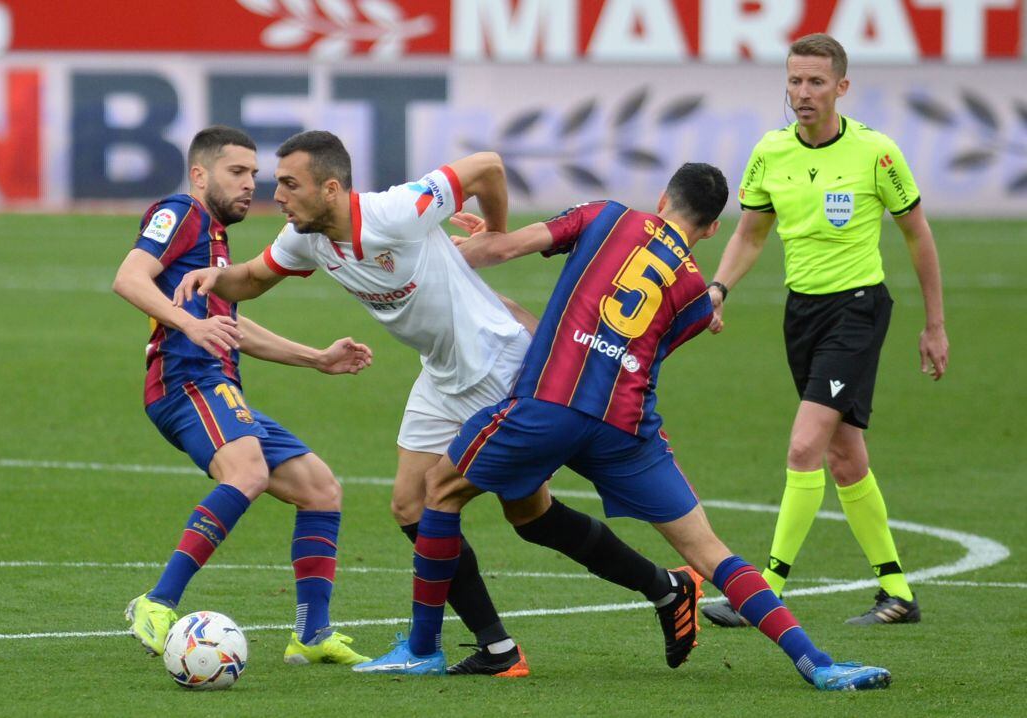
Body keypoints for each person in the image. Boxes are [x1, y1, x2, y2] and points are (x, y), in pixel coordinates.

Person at [351, 162, 892, 691]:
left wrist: (475, 242)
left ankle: (423, 650)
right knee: (709, 551)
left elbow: (502, 249)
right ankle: (818, 663)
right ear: (709, 229)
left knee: (438, 491)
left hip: (551, 407)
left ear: (662, 199)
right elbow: (641, 352)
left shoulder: (606, 215)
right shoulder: (698, 299)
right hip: (626, 428)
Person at [176, 131, 700, 676]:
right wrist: (217, 279)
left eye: (289, 184)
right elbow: (254, 278)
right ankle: (499, 645)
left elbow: (488, 166)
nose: (277, 194)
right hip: (441, 373)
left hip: (497, 365)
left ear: (330, 189)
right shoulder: (304, 237)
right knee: (413, 506)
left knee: (524, 514)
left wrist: (497, 233)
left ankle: (662, 588)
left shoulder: (397, 211)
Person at [700, 33, 949, 629]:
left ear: (841, 87)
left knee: (804, 447)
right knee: (844, 458)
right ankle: (897, 592)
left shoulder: (876, 152)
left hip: (858, 311)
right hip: (802, 314)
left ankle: (764, 590)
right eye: (794, 81)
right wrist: (718, 288)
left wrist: (934, 324)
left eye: (815, 82)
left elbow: (918, 233)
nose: (802, 93)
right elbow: (750, 233)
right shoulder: (771, 152)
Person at [113, 125, 374, 667]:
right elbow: (130, 278)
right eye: (237, 173)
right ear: (200, 174)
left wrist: (317, 358)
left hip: (219, 389)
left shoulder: (215, 236)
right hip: (187, 383)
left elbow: (232, 327)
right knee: (249, 473)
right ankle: (156, 603)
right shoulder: (181, 213)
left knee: (321, 488)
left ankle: (312, 633)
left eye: (253, 175)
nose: (249, 185)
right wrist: (188, 323)